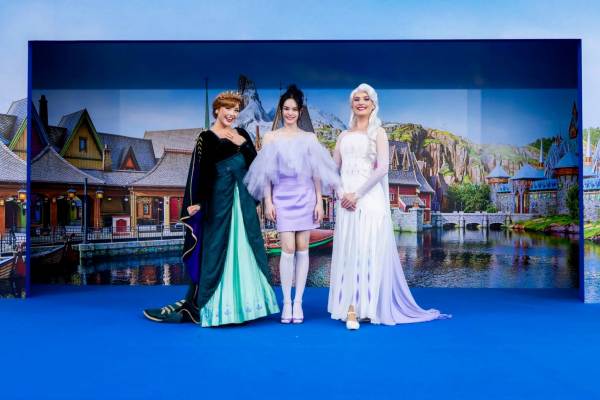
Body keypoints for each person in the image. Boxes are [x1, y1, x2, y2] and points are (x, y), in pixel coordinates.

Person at [143, 91, 279, 326]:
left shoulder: (242, 134)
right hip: (218, 203)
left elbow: (257, 168)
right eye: (228, 108)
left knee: (246, 247)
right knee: (216, 250)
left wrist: (245, 146)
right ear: (217, 110)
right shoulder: (205, 137)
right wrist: (197, 201)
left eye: (236, 110)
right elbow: (201, 172)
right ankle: (216, 309)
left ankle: (245, 308)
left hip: (243, 204)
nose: (232, 114)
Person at [328, 83, 450, 330]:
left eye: (366, 99)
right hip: (346, 203)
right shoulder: (343, 136)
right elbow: (332, 169)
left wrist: (357, 194)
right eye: (356, 99)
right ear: (351, 104)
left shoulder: (379, 133)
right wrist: (342, 194)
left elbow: (383, 168)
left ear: (373, 104)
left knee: (367, 254)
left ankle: (368, 307)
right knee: (349, 254)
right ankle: (350, 308)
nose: (361, 103)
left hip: (369, 200)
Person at [244, 85, 339, 323]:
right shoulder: (271, 137)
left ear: (300, 111)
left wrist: (319, 202)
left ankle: (298, 303)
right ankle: (286, 303)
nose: (290, 113)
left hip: (305, 196)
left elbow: (316, 173)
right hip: (282, 198)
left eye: (294, 109)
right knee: (287, 249)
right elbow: (266, 173)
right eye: (286, 109)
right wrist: (268, 201)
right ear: (281, 110)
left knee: (303, 248)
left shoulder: (309, 138)